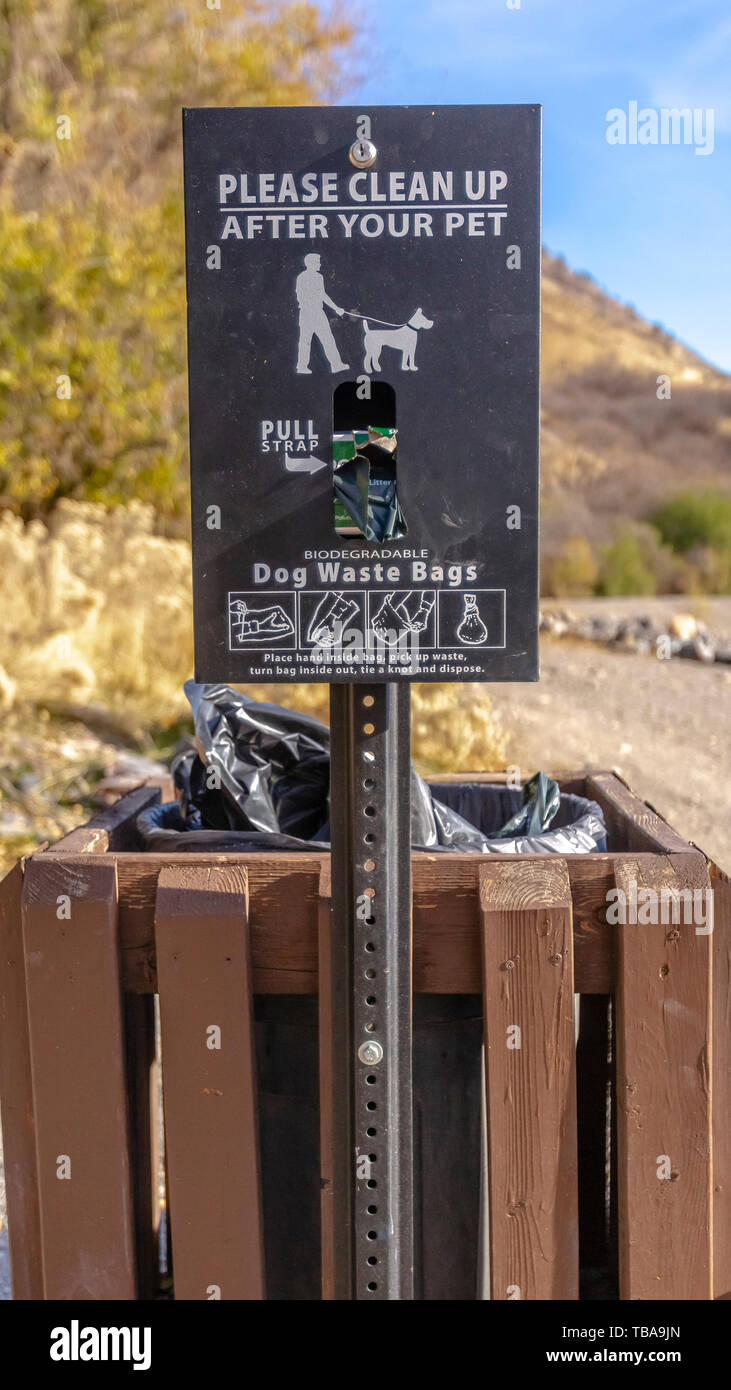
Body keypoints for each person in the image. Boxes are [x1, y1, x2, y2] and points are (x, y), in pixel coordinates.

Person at [295, 254, 349, 374]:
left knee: (328, 339)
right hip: (307, 313)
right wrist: (311, 306)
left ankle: (336, 365)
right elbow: (300, 297)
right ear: (310, 263)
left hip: (318, 313)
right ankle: (302, 367)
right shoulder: (302, 277)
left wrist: (336, 308)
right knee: (305, 341)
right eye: (317, 262)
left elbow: (323, 295)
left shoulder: (319, 277)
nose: (320, 264)